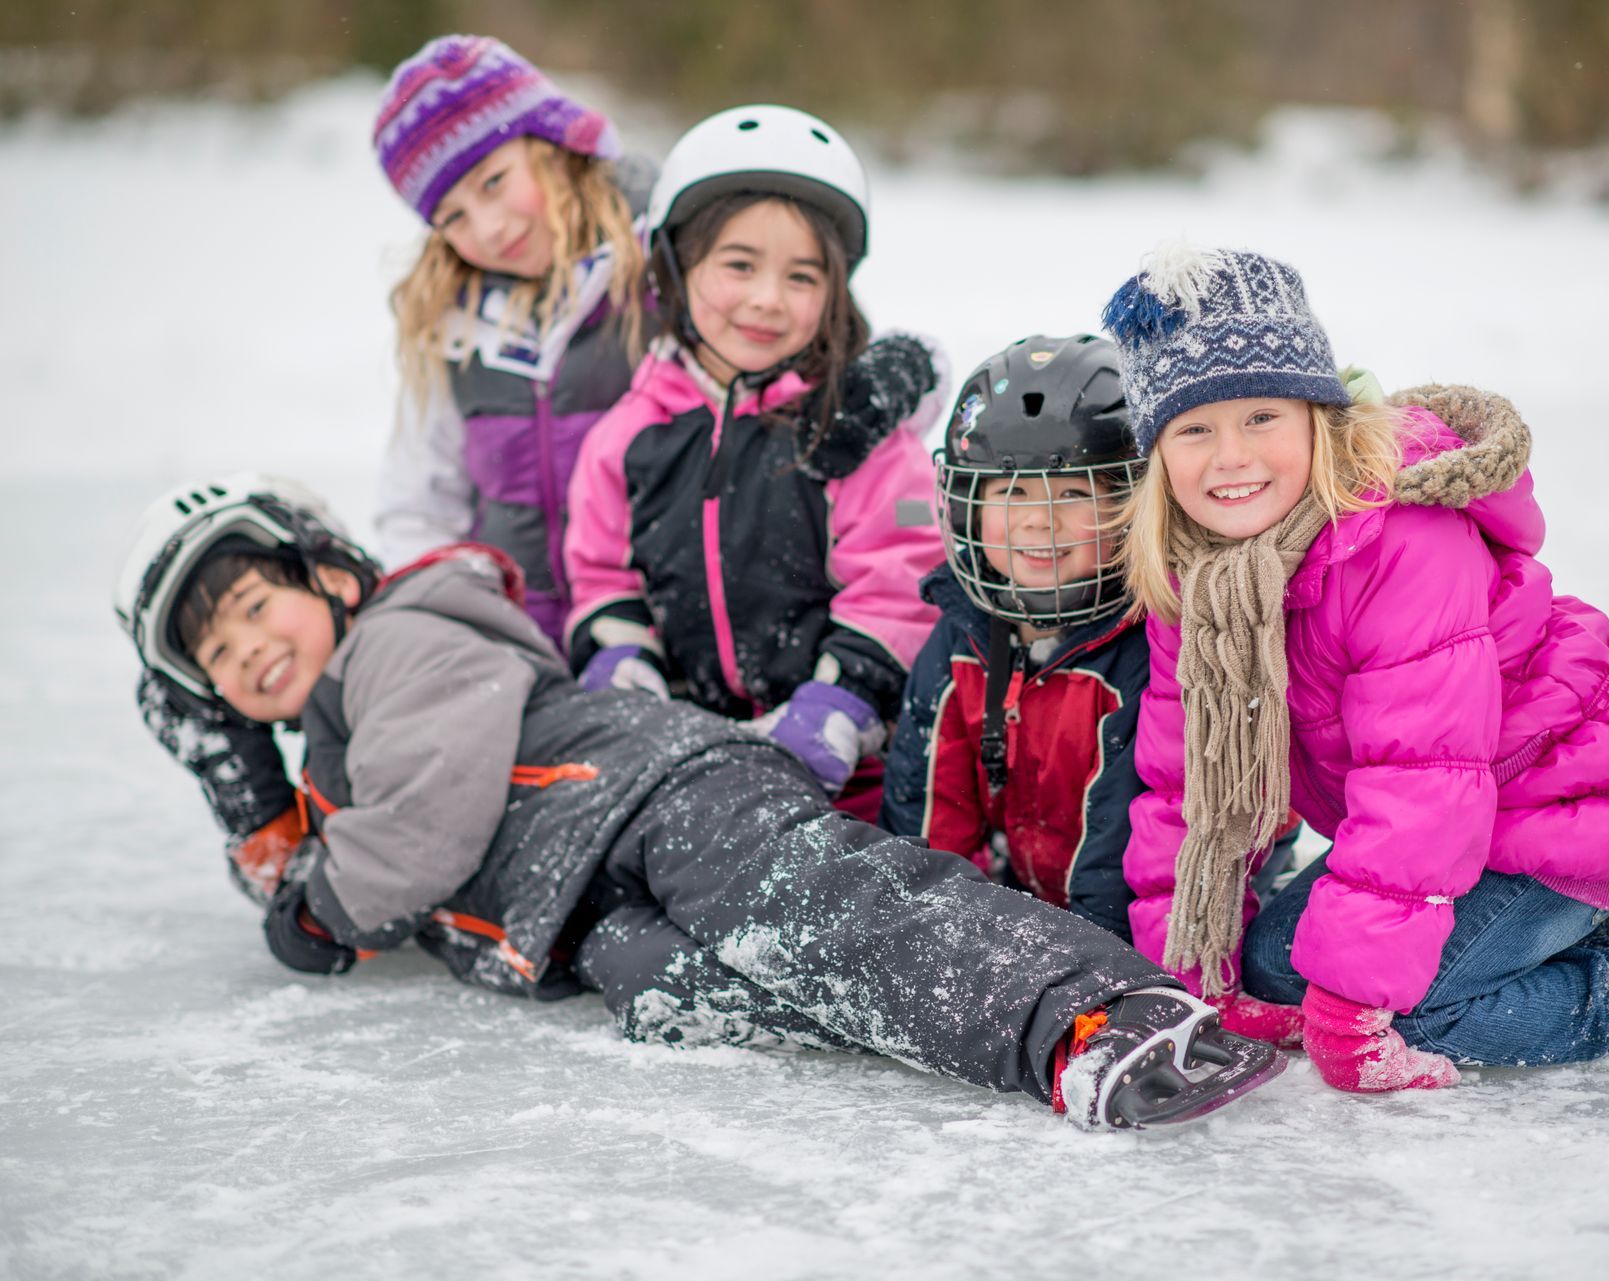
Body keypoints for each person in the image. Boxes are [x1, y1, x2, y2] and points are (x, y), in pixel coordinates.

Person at [115, 474, 1285, 1129]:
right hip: (578, 914)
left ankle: (1093, 1010)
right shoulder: (327, 751)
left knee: (834, 915)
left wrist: (312, 920)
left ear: (324, 574)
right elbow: (314, 854)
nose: (248, 650)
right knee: (733, 985)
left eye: (257, 609)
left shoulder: (399, 639)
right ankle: (1018, 1034)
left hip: (660, 796)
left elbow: (410, 839)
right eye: (216, 656)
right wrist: (238, 775)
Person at [1101, 244, 1609, 1093]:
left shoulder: (1396, 541)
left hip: (1558, 802)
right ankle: (1599, 908)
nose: (1231, 456)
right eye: (1194, 429)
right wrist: (1196, 975)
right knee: (1277, 974)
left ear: (1319, 417)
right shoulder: (1198, 583)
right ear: (1157, 457)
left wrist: (1355, 1011)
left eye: (1262, 418)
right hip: (1460, 822)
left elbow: (1420, 781)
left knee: (1413, 1009)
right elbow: (1186, 788)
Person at [881, 334, 1302, 1048]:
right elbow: (930, 817)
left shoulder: (1160, 644)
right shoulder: (958, 640)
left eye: (1074, 494)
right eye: (1009, 494)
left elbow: (1140, 839)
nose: (1039, 520)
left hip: (1174, 927)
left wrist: (1098, 975)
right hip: (1035, 902)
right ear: (964, 508)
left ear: (1133, 504)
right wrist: (933, 944)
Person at [563, 105, 946, 814]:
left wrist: (840, 701)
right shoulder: (628, 437)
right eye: (739, 265)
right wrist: (622, 656)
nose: (767, 300)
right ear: (678, 268)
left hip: (851, 782)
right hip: (682, 766)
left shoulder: (853, 432)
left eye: (802, 277)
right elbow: (600, 572)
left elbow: (901, 578)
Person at [369, 34, 656, 649]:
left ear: (550, 143)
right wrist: (451, 633)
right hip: (521, 650)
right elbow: (419, 508)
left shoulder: (667, 258)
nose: (490, 230)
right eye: (453, 217)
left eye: (494, 182)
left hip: (665, 637)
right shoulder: (453, 325)